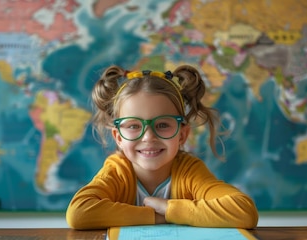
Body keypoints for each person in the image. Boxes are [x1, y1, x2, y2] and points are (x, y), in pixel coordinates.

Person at [66, 65, 259, 230]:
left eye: (163, 125)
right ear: (118, 137)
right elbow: (79, 213)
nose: (149, 137)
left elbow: (244, 211)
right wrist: (158, 217)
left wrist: (168, 208)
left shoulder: (189, 172)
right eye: (133, 126)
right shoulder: (117, 172)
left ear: (182, 134)